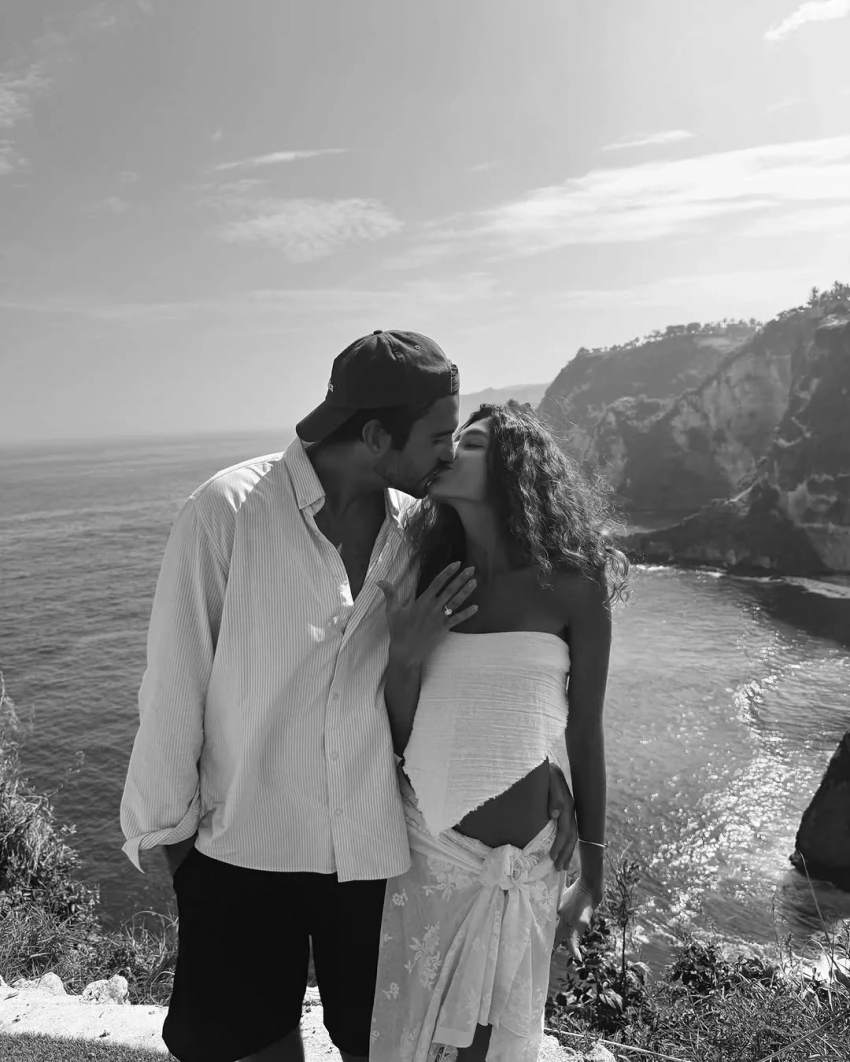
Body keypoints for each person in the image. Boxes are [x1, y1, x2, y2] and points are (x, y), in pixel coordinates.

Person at [119, 332, 577, 1062]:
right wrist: (174, 848)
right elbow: (174, 685)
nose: (449, 453)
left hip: (376, 859)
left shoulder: (422, 533)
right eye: (438, 436)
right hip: (241, 851)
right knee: (252, 1051)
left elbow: (490, 665)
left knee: (384, 1049)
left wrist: (541, 766)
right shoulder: (226, 512)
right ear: (375, 437)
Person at [370, 401, 629, 1062]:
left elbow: (586, 730)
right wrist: (404, 658)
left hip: (528, 863)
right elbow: (400, 736)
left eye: (474, 443)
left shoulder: (574, 583)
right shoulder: (424, 571)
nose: (452, 449)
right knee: (415, 1045)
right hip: (429, 852)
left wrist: (592, 877)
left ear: (514, 469)